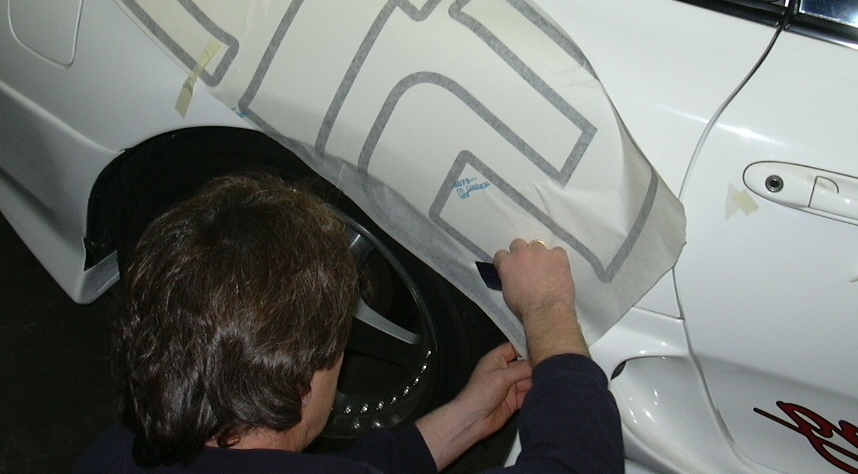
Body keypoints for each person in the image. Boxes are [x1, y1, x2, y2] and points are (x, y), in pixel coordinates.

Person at [74, 174, 623, 473]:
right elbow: (580, 464)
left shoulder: (115, 454)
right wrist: (549, 311)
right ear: (302, 379)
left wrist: (463, 419)